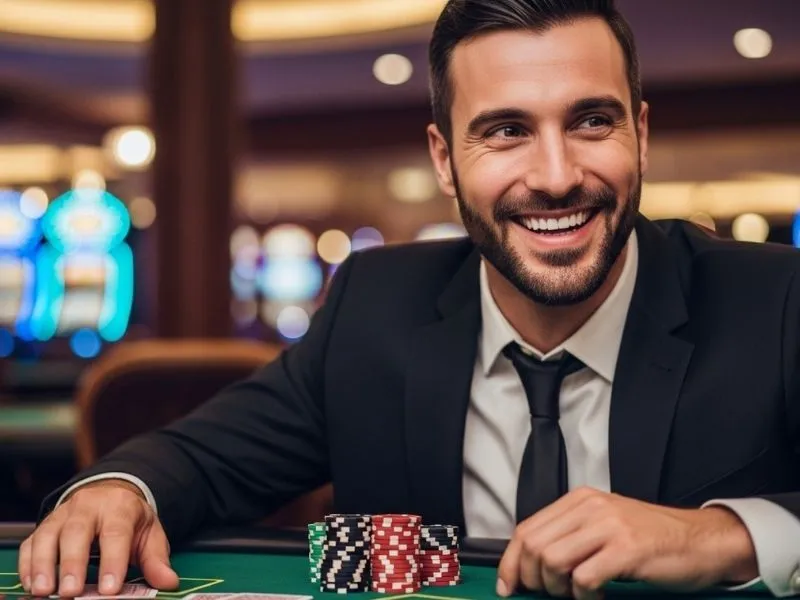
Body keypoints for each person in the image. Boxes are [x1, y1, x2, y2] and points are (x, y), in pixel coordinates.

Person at [19, 1, 800, 599]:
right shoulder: (376, 305)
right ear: (445, 159)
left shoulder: (772, 299)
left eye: (592, 121)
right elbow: (198, 459)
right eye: (505, 131)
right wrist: (119, 491)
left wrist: (722, 537)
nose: (557, 174)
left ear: (642, 133)